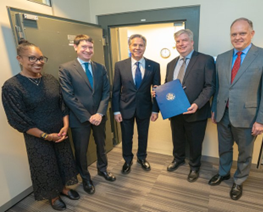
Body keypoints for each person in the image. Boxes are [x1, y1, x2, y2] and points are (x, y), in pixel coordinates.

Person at [2, 39, 79, 211]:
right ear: (19, 59)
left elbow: (62, 104)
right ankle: (53, 196)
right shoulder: (12, 86)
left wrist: (65, 126)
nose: (38, 62)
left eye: (41, 58)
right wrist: (45, 136)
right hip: (37, 136)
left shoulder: (51, 79)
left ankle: (64, 188)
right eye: (32, 58)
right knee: (46, 166)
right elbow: (17, 119)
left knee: (63, 161)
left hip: (59, 132)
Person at [209, 18, 263, 200]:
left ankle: (238, 181)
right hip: (223, 114)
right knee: (224, 148)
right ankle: (224, 172)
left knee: (245, 153)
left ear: (251, 34)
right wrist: (214, 109)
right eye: (234, 34)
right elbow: (219, 87)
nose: (238, 37)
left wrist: (262, 120)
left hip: (248, 117)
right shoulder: (222, 57)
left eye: (242, 33)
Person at [59, 34, 115, 195]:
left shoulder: (100, 68)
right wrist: (87, 116)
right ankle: (86, 178)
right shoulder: (66, 68)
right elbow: (68, 96)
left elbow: (106, 92)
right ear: (75, 47)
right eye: (84, 47)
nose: (88, 50)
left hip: (99, 117)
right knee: (81, 151)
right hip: (79, 119)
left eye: (90, 47)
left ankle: (103, 170)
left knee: (101, 146)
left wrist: (99, 113)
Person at [160, 29, 215, 182]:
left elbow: (210, 86)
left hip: (196, 111)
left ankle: (195, 166)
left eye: (184, 40)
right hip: (175, 110)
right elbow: (168, 85)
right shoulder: (171, 64)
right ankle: (178, 159)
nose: (181, 44)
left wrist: (197, 104)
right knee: (177, 138)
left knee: (195, 141)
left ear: (192, 42)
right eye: (178, 41)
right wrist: (159, 92)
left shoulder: (205, 60)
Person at [112, 34, 160, 174]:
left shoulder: (154, 66)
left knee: (143, 135)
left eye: (141, 45)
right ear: (129, 46)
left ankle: (142, 158)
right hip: (125, 107)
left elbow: (157, 89)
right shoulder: (120, 65)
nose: (137, 48)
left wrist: (155, 110)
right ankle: (127, 160)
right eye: (134, 45)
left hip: (145, 107)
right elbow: (115, 90)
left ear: (144, 47)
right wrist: (116, 111)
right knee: (127, 136)